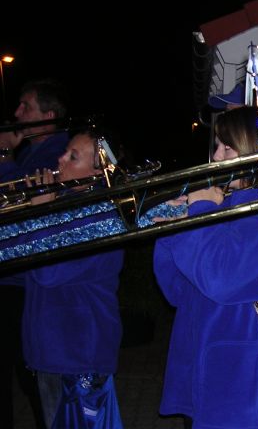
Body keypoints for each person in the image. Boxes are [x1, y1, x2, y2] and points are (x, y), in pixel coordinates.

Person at [153, 106, 258, 428]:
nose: (216, 157)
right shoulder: (220, 206)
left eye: (227, 148)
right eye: (216, 146)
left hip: (249, 379)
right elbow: (177, 291)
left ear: (253, 152)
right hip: (205, 364)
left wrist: (200, 211)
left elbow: (221, 278)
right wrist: (173, 227)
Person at [0, 129, 125, 428]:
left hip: (77, 358)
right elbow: (19, 260)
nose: (60, 159)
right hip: (50, 353)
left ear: (97, 172)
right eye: (65, 151)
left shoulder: (99, 217)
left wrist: (40, 212)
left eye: (73, 157)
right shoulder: (65, 203)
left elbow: (47, 271)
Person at [0, 78, 70, 429]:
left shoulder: (57, 153)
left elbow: (17, 199)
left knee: (32, 378)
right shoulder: (31, 150)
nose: (16, 113)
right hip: (14, 275)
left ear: (48, 116)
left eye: (25, 107)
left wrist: (4, 156)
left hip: (23, 282)